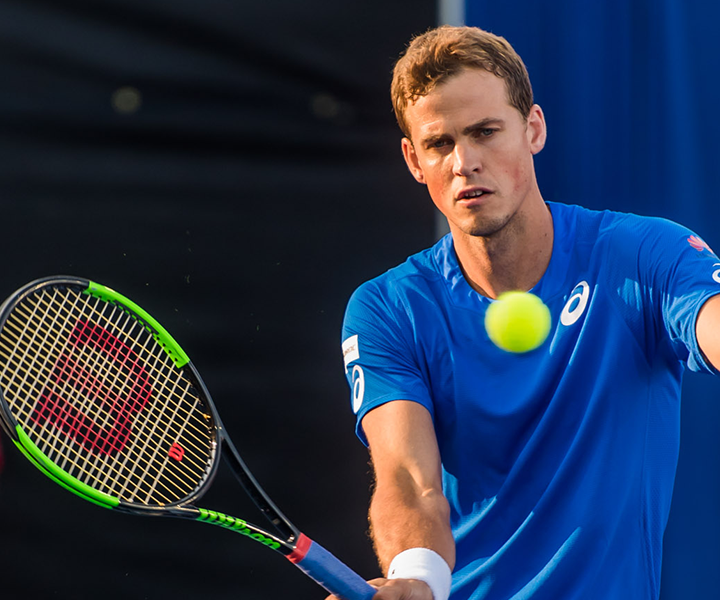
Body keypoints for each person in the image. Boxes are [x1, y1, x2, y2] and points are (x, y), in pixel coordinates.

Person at [329, 25, 720, 600]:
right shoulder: (387, 309)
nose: (464, 162)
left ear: (533, 128)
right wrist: (417, 579)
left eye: (486, 132)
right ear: (413, 159)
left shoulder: (642, 255)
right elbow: (410, 481)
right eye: (439, 144)